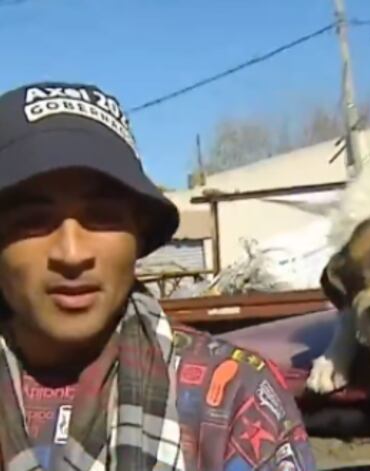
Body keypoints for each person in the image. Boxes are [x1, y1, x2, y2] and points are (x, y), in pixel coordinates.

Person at [0, 82, 317, 471]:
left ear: (139, 233)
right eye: (33, 221)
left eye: (103, 217)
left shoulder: (234, 396)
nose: (72, 254)